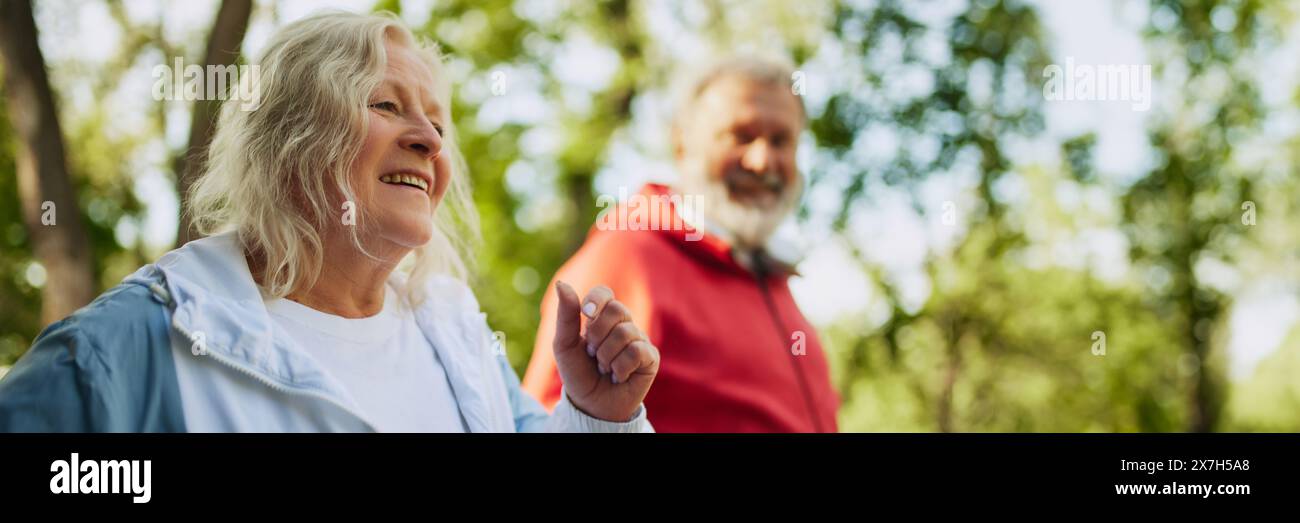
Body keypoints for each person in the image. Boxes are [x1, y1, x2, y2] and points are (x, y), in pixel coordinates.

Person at [0, 11, 658, 433]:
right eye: (385, 104)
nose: (429, 139)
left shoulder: (453, 333)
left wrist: (598, 416)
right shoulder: (118, 354)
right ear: (290, 139)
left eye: (436, 120)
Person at [523, 56, 840, 432]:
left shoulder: (772, 277)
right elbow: (551, 419)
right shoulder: (631, 253)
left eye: (780, 140)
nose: (762, 161)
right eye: (741, 135)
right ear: (682, 144)